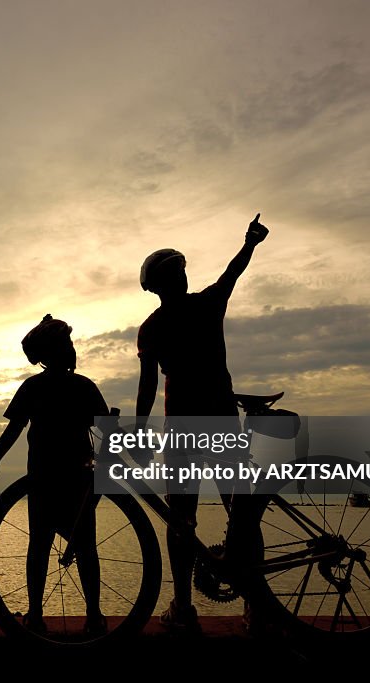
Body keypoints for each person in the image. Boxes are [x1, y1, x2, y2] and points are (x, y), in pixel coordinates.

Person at [135, 213, 269, 633]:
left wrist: (137, 434)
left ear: (154, 288)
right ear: (179, 277)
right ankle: (258, 607)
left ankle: (183, 606)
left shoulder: (152, 328)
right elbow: (233, 272)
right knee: (240, 514)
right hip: (222, 420)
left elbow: (145, 391)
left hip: (184, 430)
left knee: (182, 519)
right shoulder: (208, 304)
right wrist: (249, 243)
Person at [0, 315, 109, 636]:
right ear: (56, 352)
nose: (72, 349)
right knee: (85, 547)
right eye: (67, 344)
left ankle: (37, 615)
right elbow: (109, 432)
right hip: (76, 478)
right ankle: (93, 615)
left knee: (40, 544)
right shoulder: (83, 386)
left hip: (42, 477)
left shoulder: (33, 386)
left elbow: (13, 430)